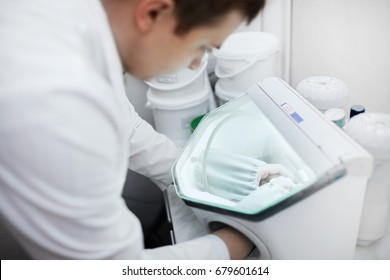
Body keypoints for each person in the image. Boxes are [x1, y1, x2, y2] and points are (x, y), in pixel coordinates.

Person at [0, 0, 266, 259]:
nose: (196, 64)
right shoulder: (57, 96)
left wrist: (193, 170)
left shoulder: (73, 20)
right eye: (201, 46)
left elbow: (125, 125)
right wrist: (242, 238)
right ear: (152, 13)